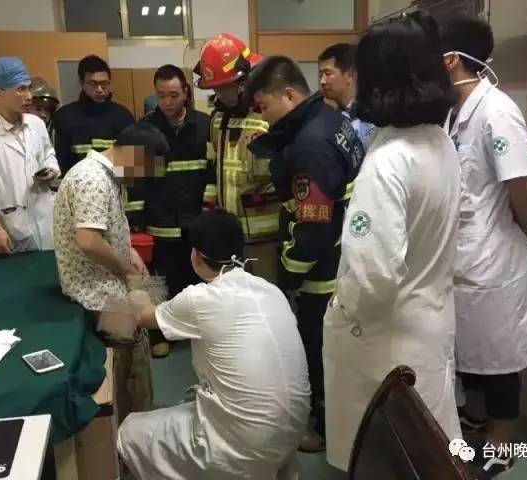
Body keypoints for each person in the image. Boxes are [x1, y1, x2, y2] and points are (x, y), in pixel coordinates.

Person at [322, 12, 463, 471]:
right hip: (429, 324)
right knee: (427, 455)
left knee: (385, 460)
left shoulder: (389, 161)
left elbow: (372, 278)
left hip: (384, 343)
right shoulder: (439, 142)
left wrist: (342, 309)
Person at [115, 209, 310, 480]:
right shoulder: (270, 290)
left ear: (195, 255)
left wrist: (133, 277)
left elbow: (143, 315)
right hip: (292, 435)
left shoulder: (199, 299)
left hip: (246, 443)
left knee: (129, 431)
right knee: (190, 402)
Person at [440, 17, 527, 478]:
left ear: (450, 59)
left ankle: (502, 447)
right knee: (469, 354)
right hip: (464, 257)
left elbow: (526, 187)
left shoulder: (497, 111)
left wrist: (519, 227)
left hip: (494, 258)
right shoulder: (454, 112)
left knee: (499, 360)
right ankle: (475, 427)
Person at [247, 56, 364, 452]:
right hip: (346, 256)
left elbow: (313, 228)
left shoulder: (310, 144)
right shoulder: (333, 119)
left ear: (289, 94)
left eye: (264, 106)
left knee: (317, 352)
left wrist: (289, 277)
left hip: (322, 274)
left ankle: (327, 430)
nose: (262, 117)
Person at [53, 122, 167, 422]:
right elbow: (89, 241)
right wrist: (126, 268)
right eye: (145, 170)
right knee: (131, 359)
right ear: (135, 155)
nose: (142, 179)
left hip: (106, 282)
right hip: (98, 292)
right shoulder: (92, 179)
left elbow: (105, 230)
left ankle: (138, 423)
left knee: (149, 315)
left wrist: (129, 251)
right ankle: (134, 430)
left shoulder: (102, 175)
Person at [194, 33, 280, 283]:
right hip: (228, 237)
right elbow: (213, 171)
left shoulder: (269, 117)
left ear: (245, 80)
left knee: (266, 296)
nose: (219, 93)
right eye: (215, 88)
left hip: (266, 239)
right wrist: (209, 216)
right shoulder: (217, 120)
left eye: (224, 86)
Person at [142, 64, 212, 358]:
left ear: (186, 93)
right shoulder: (143, 131)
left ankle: (197, 331)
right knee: (160, 283)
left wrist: (208, 210)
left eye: (173, 95)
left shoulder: (206, 125)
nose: (167, 102)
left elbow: (213, 171)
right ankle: (160, 333)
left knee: (198, 280)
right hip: (160, 222)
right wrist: (136, 221)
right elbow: (133, 182)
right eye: (161, 95)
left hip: (196, 219)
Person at [0, 57, 59, 254]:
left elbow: (48, 153)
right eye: (21, 89)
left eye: (29, 88)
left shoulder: (36, 124)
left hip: (48, 216)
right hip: (13, 226)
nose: (29, 96)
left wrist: (51, 170)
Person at [54, 55, 135, 175]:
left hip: (114, 182)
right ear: (81, 83)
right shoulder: (64, 117)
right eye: (93, 84)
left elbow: (130, 162)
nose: (100, 89)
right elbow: (61, 161)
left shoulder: (123, 116)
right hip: (76, 182)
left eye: (104, 83)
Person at [318, 43, 374, 151]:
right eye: (320, 75)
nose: (322, 81)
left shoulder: (370, 116)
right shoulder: (334, 113)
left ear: (349, 75)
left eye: (327, 73)